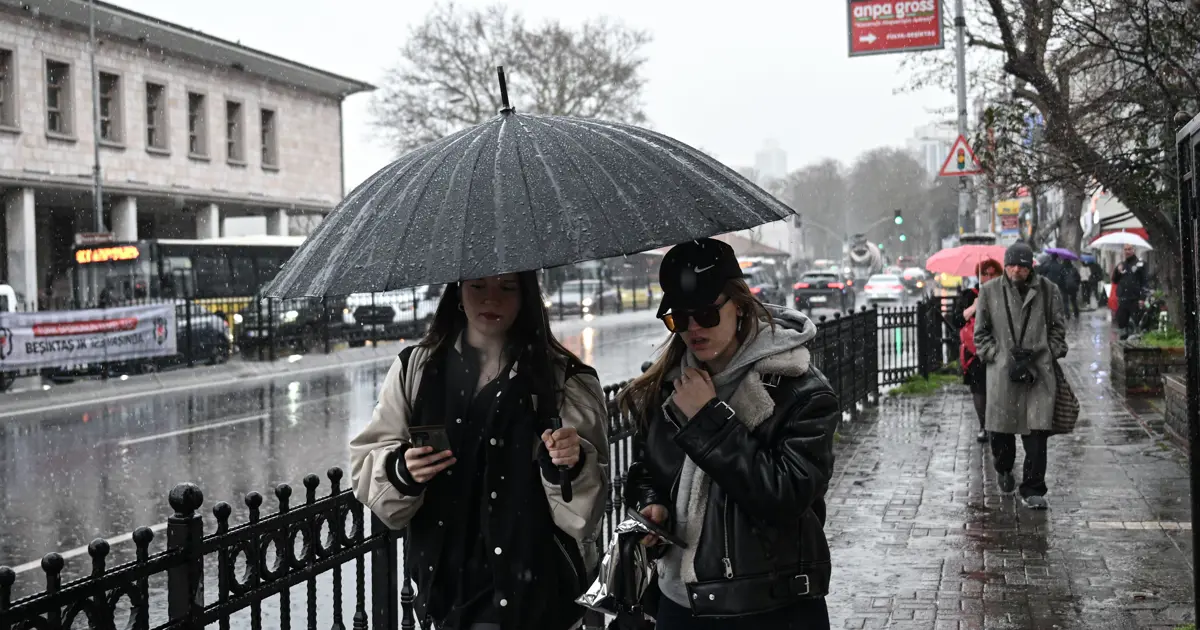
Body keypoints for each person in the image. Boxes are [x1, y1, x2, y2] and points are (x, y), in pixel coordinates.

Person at [349, 272, 610, 630]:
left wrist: (570, 465)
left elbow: (586, 517)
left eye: (507, 287)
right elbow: (368, 466)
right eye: (478, 286)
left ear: (526, 296)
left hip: (538, 597)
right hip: (448, 599)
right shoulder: (417, 370)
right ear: (458, 292)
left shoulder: (565, 381)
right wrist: (402, 470)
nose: (491, 299)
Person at [618, 238, 838, 629]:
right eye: (679, 318)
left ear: (740, 306)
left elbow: (785, 496)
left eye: (705, 314)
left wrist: (707, 418)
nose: (693, 328)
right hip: (679, 603)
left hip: (770, 607)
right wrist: (653, 506)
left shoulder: (800, 390)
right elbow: (646, 470)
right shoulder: (667, 385)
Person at [973, 242, 1068, 510]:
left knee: (1037, 434)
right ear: (1005, 266)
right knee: (1000, 435)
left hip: (1038, 373)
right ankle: (1003, 469)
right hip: (1003, 374)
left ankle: (1033, 488)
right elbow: (981, 333)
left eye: (1022, 266)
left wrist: (1049, 352)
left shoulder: (1048, 291)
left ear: (1031, 267)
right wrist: (997, 355)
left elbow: (1059, 329)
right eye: (1012, 265)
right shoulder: (990, 291)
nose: (1017, 270)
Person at [951, 259, 1002, 444]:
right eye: (984, 274)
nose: (988, 277)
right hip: (976, 352)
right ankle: (984, 425)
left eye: (992, 273)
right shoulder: (969, 295)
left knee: (998, 389)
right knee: (979, 389)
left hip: (999, 349)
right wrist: (974, 307)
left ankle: (998, 425)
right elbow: (957, 320)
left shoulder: (1004, 294)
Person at [1111, 244, 1149, 338]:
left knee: (1135, 324)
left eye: (1129, 249)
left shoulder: (1140, 264)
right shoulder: (1121, 265)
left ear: (1133, 250)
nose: (1127, 251)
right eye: (1125, 249)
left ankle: (1135, 342)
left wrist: (1142, 298)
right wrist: (1117, 271)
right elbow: (1114, 280)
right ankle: (1123, 342)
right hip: (1123, 299)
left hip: (1135, 299)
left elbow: (1144, 282)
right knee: (1121, 324)